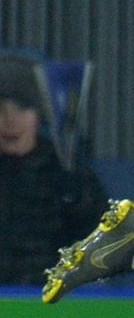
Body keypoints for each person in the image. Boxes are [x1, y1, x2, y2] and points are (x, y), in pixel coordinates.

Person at [0, 54, 108, 286]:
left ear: (39, 115)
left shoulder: (70, 174)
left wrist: (77, 201)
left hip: (55, 300)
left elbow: (101, 248)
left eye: (22, 108)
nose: (10, 120)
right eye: (0, 109)